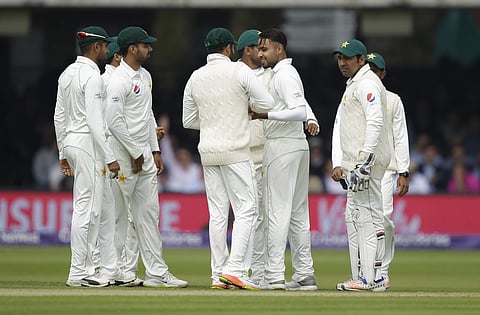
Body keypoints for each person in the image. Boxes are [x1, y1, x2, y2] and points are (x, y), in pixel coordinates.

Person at [182, 27, 274, 290]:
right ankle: (235, 270)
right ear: (230, 49)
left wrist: (215, 121)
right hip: (236, 150)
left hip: (208, 151)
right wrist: (239, 112)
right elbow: (266, 103)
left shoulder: (196, 76)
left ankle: (217, 273)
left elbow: (188, 120)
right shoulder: (239, 70)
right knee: (247, 209)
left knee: (218, 214)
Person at [105, 26, 187, 288]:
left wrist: (154, 150)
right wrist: (136, 153)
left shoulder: (146, 76)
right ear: (132, 49)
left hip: (143, 155)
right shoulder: (118, 80)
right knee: (119, 217)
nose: (150, 49)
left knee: (149, 216)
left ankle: (156, 273)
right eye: (145, 45)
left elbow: (147, 115)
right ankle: (116, 271)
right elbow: (113, 122)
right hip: (124, 156)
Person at [53, 26, 121, 287]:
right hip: (87, 144)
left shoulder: (67, 73)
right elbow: (94, 121)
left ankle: (106, 269)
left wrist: (62, 151)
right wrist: (110, 156)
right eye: (104, 46)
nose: (107, 50)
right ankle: (80, 271)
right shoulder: (93, 77)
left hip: (73, 141)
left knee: (101, 208)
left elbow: (59, 116)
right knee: (88, 209)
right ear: (96, 48)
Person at [252, 28, 317, 290]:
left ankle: (274, 274)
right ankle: (304, 273)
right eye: (258, 49)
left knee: (276, 211)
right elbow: (302, 105)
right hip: (298, 148)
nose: (260, 53)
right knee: (298, 213)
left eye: (264, 49)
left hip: (281, 147)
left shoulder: (283, 74)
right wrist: (312, 117)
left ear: (279, 49)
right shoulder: (285, 73)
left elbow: (297, 109)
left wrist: (266, 116)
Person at [330, 39, 391, 291]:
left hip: (364, 163)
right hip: (356, 162)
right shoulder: (356, 83)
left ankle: (367, 278)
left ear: (361, 60)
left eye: (348, 58)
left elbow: (375, 120)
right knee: (363, 217)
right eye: (340, 58)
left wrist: (364, 160)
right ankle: (371, 277)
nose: (342, 62)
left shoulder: (366, 83)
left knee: (365, 218)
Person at [367, 52, 410, 289]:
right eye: (368, 69)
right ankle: (364, 271)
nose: (371, 75)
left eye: (375, 71)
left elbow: (400, 136)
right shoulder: (354, 94)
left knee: (382, 218)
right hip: (360, 169)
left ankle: (381, 270)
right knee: (360, 220)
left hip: (385, 170)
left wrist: (404, 171)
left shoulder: (393, 100)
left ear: (382, 74)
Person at [157, 114, 204, 194]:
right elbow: (167, 151)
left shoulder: (196, 169)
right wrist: (164, 132)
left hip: (196, 201)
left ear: (190, 158)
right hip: (174, 199)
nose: (183, 160)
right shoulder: (173, 166)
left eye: (185, 157)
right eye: (180, 158)